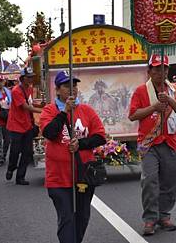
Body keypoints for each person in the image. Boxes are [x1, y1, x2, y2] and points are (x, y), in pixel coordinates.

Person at [41, 70, 106, 243]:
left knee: (82, 217)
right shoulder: (49, 110)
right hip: (58, 178)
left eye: (74, 85)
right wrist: (64, 113)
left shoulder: (86, 110)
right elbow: (49, 133)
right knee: (67, 218)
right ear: (57, 90)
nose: (72, 89)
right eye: (66, 86)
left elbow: (100, 136)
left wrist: (81, 144)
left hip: (83, 175)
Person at [128, 54, 176, 236]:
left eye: (164, 68)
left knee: (170, 179)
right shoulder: (140, 91)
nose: (160, 72)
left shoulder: (174, 90)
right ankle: (150, 219)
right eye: (156, 69)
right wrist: (154, 107)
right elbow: (133, 115)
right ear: (149, 71)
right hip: (149, 143)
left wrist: (170, 100)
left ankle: (164, 215)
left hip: (169, 142)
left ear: (168, 71)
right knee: (150, 181)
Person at [6, 67, 43, 185]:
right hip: (16, 125)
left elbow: (30, 102)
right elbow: (25, 107)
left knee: (27, 152)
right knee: (15, 151)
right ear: (23, 78)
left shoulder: (30, 89)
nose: (31, 79)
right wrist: (40, 111)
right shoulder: (16, 90)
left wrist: (40, 104)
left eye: (32, 76)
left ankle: (20, 177)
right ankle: (11, 167)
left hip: (27, 125)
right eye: (29, 77)